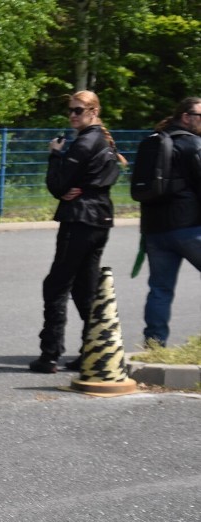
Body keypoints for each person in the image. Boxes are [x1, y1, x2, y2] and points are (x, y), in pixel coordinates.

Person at [29, 90, 126, 373]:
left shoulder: (85, 143)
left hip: (80, 220)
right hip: (100, 219)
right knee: (85, 288)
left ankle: (50, 354)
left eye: (78, 110)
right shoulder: (104, 141)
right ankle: (92, 351)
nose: (72, 115)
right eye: (71, 110)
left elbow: (58, 187)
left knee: (56, 285)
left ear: (94, 112)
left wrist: (55, 155)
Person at [138, 97, 201, 346]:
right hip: (189, 228)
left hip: (155, 231)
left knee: (160, 289)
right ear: (186, 117)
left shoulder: (153, 142)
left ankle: (154, 344)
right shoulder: (192, 144)